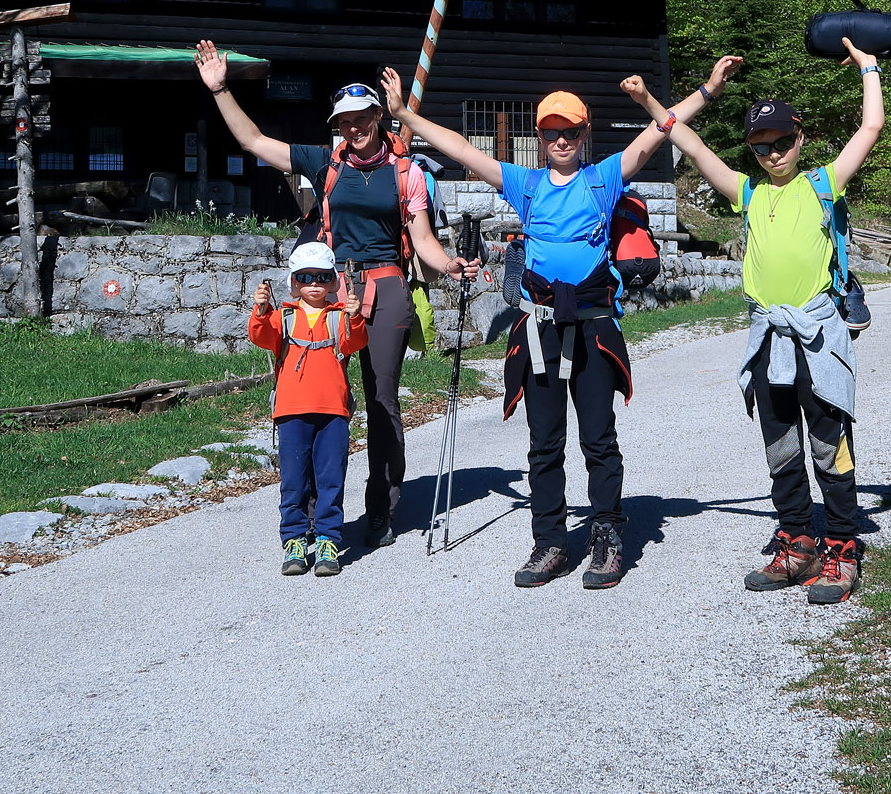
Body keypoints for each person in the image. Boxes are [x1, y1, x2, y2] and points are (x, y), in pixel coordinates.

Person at [380, 55, 741, 589]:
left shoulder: (604, 179)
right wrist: (405, 118)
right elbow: (460, 148)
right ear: (540, 135)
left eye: (569, 130)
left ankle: (606, 537)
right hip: (539, 329)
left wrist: (708, 89)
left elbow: (658, 133)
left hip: (593, 325)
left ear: (583, 132)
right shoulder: (524, 184)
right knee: (544, 444)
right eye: (552, 131)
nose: (561, 139)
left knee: (598, 438)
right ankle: (550, 542)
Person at [622, 37, 883, 604]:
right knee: (781, 444)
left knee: (828, 441)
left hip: (817, 336)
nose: (773, 153)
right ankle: (796, 538)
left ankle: (842, 544)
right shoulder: (748, 193)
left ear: (799, 139)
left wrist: (868, 68)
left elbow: (870, 129)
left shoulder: (822, 184)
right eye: (762, 146)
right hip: (769, 337)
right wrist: (649, 101)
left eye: (783, 141)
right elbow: (689, 144)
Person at [197, 41, 475, 549]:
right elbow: (256, 141)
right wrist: (220, 90)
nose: (353, 127)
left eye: (362, 117)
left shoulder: (407, 170)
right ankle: (309, 517)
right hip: (330, 289)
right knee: (321, 401)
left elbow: (424, 242)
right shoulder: (326, 163)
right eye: (344, 121)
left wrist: (450, 266)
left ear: (378, 116)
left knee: (382, 397)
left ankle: (381, 506)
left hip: (388, 283)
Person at [249, 241, 366, 578]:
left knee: (331, 479)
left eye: (321, 277)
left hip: (333, 412)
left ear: (333, 281)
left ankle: (329, 539)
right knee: (294, 481)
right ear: (294, 282)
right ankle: (294, 541)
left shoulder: (340, 316)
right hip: (291, 412)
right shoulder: (282, 316)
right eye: (305, 277)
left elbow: (355, 342)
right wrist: (259, 311)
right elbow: (260, 336)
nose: (314, 283)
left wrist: (356, 317)